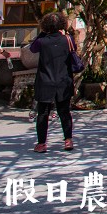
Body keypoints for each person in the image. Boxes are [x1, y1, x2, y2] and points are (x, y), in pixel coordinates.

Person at [29, 12, 76, 153]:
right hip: (63, 81)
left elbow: (32, 49)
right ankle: (68, 140)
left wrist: (42, 33)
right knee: (64, 112)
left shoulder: (41, 41)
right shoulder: (68, 39)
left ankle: (41, 144)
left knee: (43, 113)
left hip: (45, 81)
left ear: (45, 25)